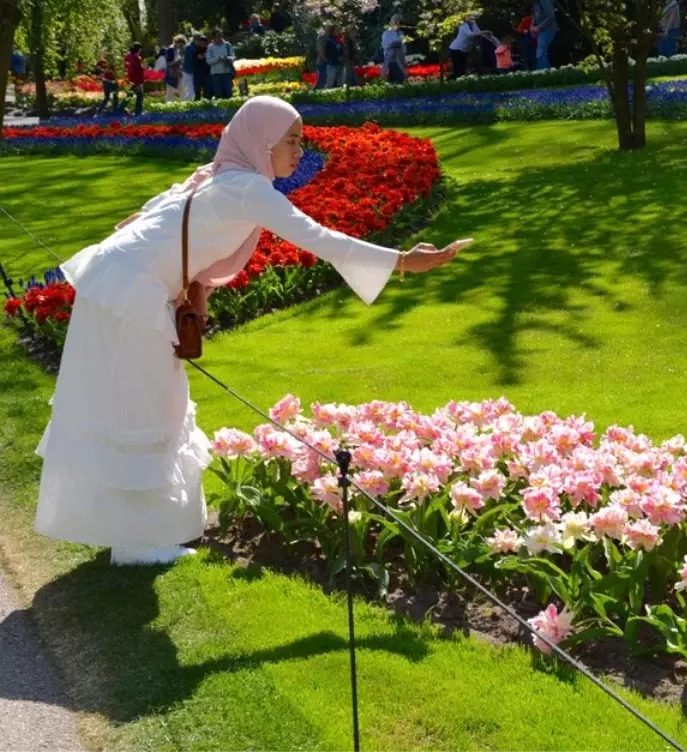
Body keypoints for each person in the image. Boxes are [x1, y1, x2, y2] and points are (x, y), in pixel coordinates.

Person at [33, 96, 468, 566]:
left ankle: (132, 533)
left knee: (136, 402)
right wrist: (403, 261)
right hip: (131, 293)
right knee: (147, 405)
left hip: (117, 285)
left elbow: (147, 221)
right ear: (261, 142)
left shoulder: (218, 174)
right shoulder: (246, 188)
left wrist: (187, 285)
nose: (300, 151)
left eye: (301, 141)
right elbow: (319, 238)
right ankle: (138, 543)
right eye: (291, 141)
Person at [525, 0, 558, 70]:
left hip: (548, 29)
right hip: (540, 30)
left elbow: (551, 16)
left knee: (541, 51)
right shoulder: (535, 1)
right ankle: (547, 72)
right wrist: (532, 26)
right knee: (542, 51)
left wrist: (538, 27)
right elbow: (534, 16)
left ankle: (542, 72)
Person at [205, 29, 235, 99]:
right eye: (218, 36)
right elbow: (208, 61)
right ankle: (220, 110)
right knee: (218, 95)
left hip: (227, 72)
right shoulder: (210, 47)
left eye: (221, 35)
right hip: (216, 74)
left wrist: (227, 58)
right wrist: (218, 58)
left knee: (228, 94)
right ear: (214, 37)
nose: (220, 37)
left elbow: (233, 57)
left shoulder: (228, 45)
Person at [382, 15, 408, 84]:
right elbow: (386, 46)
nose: (399, 24)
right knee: (400, 78)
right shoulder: (387, 33)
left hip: (400, 60)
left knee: (398, 80)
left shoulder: (401, 33)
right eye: (397, 22)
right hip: (391, 60)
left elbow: (404, 47)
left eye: (399, 23)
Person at [317, 24, 343, 89]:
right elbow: (322, 51)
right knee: (327, 81)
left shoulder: (339, 38)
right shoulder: (326, 39)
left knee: (340, 81)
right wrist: (327, 60)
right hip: (329, 63)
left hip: (339, 63)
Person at [162, 36, 186, 102]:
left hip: (177, 73)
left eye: (182, 45)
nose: (181, 46)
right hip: (171, 74)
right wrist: (178, 62)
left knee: (182, 90)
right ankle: (168, 107)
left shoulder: (177, 50)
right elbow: (168, 63)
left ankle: (184, 105)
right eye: (181, 44)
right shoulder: (170, 50)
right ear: (176, 42)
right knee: (170, 92)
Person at [124, 43, 146, 116]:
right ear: (138, 49)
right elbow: (139, 68)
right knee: (140, 96)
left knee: (129, 95)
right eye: (140, 49)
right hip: (137, 80)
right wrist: (144, 66)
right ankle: (138, 112)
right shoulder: (136, 58)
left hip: (130, 79)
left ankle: (122, 109)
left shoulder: (128, 56)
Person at [181, 32, 202, 100]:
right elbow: (191, 61)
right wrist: (198, 57)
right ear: (195, 40)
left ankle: (185, 103)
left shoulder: (194, 46)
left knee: (191, 90)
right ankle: (184, 104)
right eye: (199, 40)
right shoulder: (189, 47)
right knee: (191, 91)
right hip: (188, 72)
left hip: (191, 71)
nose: (200, 42)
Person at [193, 35, 211, 100]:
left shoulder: (209, 50)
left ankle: (206, 103)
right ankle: (197, 104)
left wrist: (205, 57)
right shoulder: (195, 50)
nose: (202, 43)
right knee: (197, 90)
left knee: (207, 90)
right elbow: (193, 61)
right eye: (201, 41)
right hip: (197, 73)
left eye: (204, 41)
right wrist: (199, 57)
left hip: (207, 73)